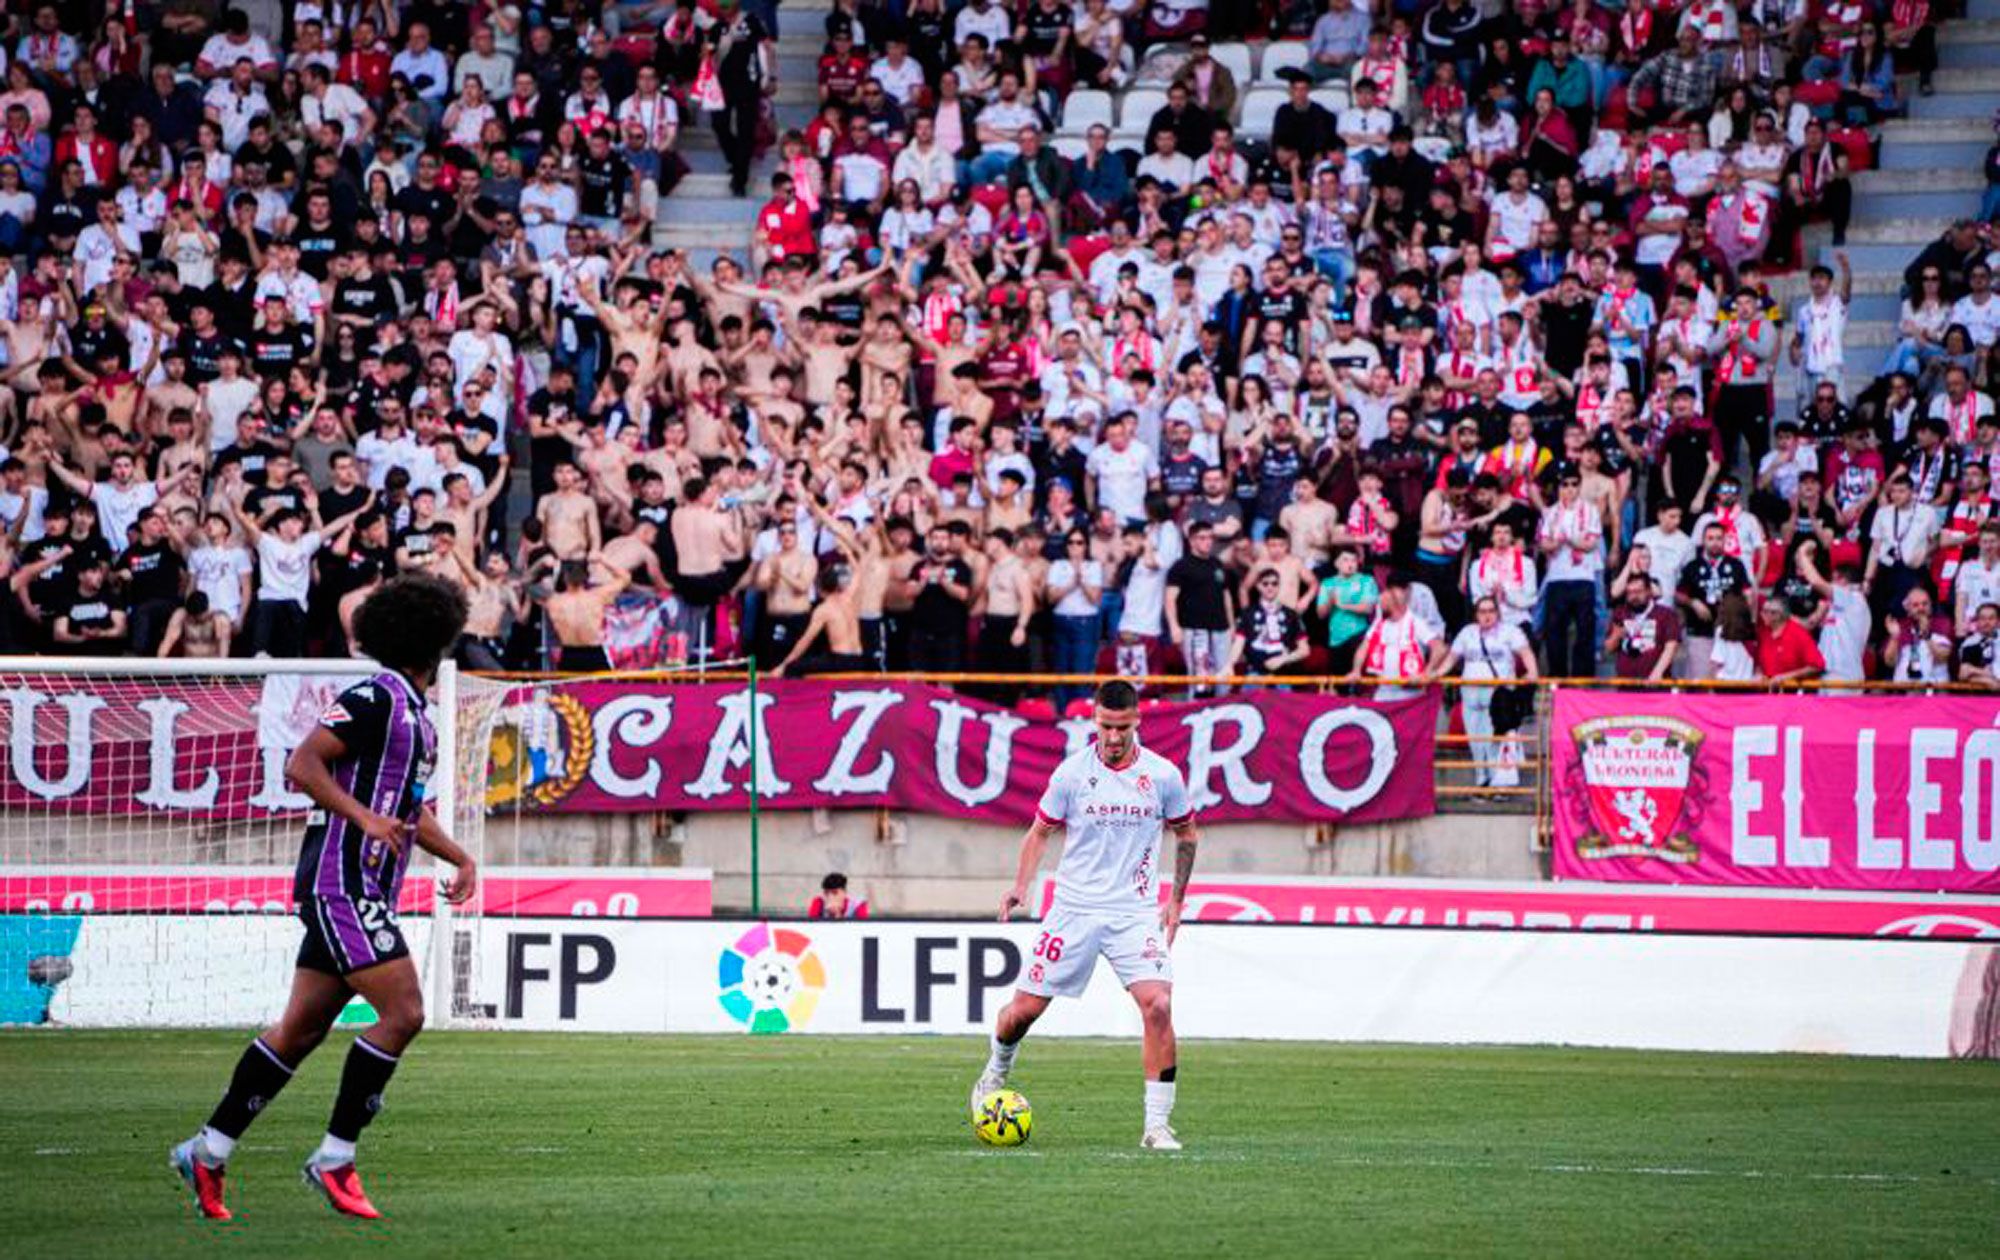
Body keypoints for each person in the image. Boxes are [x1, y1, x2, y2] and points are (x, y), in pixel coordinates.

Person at [172, 574, 476, 1221]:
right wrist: (365, 819)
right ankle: (335, 1157)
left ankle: (208, 1148)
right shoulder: (373, 696)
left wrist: (459, 856)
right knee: (406, 1012)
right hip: (342, 884)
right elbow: (302, 765)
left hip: (365, 887)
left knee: (300, 1031)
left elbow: (407, 809)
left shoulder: (418, 716)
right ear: (432, 637)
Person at [974, 679, 1199, 1152]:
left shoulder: (1162, 776)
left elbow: (1187, 834)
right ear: (1093, 721)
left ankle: (1156, 1126)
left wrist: (1176, 900)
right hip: (1072, 909)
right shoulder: (1071, 774)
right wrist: (1021, 885)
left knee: (1157, 1004)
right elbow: (1038, 833)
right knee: (1022, 1013)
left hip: (1133, 912)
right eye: (1104, 727)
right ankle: (994, 1072)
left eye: (1122, 727)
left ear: (1137, 721)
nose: (1113, 737)